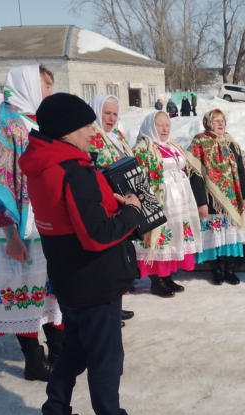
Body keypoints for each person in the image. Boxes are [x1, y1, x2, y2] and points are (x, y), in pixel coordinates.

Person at [18, 92, 156, 415]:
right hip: (94, 279)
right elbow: (96, 235)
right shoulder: (73, 170)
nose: (92, 132)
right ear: (67, 130)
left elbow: (71, 214)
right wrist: (132, 213)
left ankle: (55, 412)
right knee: (107, 356)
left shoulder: (43, 164)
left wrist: (111, 201)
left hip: (69, 276)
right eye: (86, 126)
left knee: (75, 351)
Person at [0, 64, 63, 382]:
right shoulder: (1, 126)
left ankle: (60, 350)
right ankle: (34, 362)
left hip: (44, 224)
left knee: (49, 291)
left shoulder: (35, 121)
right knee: (24, 293)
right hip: (18, 231)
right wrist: (12, 236)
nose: (49, 92)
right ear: (28, 87)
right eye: (44, 86)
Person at [132, 110, 200, 297]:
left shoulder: (172, 145)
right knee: (161, 234)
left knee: (175, 235)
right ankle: (156, 279)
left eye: (167, 125)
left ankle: (167, 275)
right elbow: (140, 178)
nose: (164, 129)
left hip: (180, 199)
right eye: (160, 125)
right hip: (162, 199)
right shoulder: (143, 148)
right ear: (150, 126)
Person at [87, 94, 138, 324]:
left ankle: (115, 303)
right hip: (104, 203)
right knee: (105, 259)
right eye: (106, 112)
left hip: (122, 202)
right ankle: (106, 310)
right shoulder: (91, 135)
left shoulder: (116, 135)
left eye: (115, 113)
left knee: (119, 256)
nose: (111, 118)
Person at [187, 108, 245, 285]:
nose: (221, 123)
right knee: (216, 235)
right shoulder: (200, 142)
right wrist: (201, 202)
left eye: (222, 120)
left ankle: (229, 269)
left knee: (229, 235)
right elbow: (195, 174)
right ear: (208, 123)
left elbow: (240, 171)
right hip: (211, 198)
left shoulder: (231, 143)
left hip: (232, 198)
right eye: (216, 120)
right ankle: (217, 270)